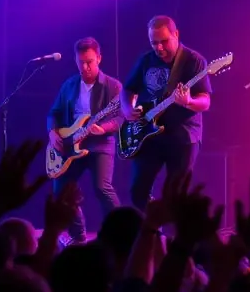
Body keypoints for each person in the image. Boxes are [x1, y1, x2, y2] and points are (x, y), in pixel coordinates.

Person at [121, 16, 212, 210]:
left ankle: (173, 236)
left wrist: (188, 101)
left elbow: (205, 102)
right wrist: (128, 109)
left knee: (175, 194)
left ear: (176, 34)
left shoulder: (193, 61)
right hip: (149, 135)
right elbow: (128, 89)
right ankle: (153, 227)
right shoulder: (146, 60)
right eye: (154, 43)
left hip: (183, 136)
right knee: (138, 191)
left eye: (164, 41)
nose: (159, 48)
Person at [47, 37, 122, 244]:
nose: (85, 67)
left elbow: (122, 116)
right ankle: (78, 236)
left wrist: (103, 128)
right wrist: (53, 133)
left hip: (100, 144)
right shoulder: (69, 85)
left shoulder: (113, 86)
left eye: (89, 62)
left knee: (102, 188)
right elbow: (54, 112)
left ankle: (121, 233)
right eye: (81, 63)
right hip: (72, 144)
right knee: (62, 189)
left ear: (99, 58)